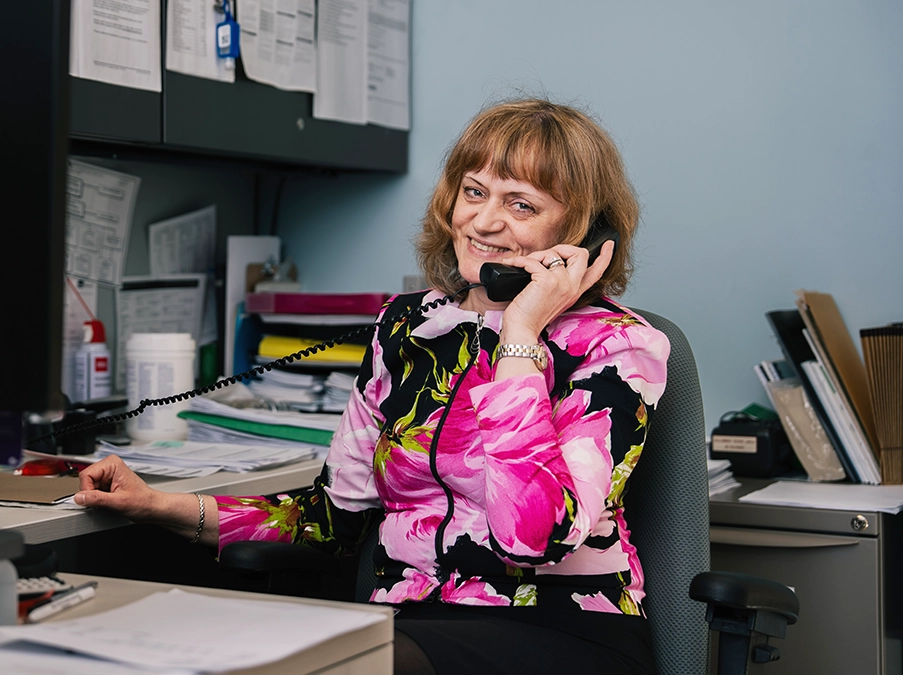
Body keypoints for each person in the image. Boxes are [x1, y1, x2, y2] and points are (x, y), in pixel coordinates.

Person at [75, 98, 669, 675]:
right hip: (408, 625)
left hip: (560, 631)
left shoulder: (616, 347)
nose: (485, 222)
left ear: (582, 233)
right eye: (474, 192)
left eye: (521, 205)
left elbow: (533, 538)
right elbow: (330, 520)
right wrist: (156, 506)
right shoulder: (409, 329)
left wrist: (519, 335)